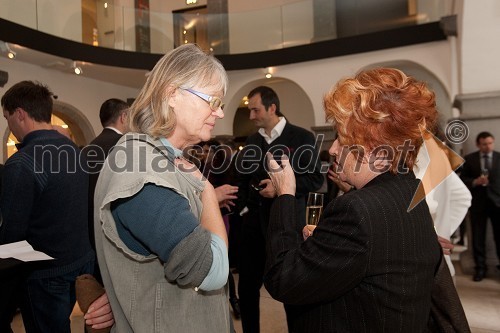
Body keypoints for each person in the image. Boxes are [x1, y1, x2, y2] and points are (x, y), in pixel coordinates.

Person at [263, 68, 443, 332]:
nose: (333, 149)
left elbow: (283, 279)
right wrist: (324, 245)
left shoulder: (357, 210)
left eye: (342, 138)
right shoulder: (409, 190)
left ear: (377, 150)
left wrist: (285, 195)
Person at [93, 44, 231, 332]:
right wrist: (206, 192)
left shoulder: (161, 158)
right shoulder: (140, 168)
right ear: (172, 94)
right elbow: (213, 270)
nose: (219, 113)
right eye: (213, 101)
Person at [0, 81, 94, 332]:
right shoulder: (72, 149)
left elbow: (11, 236)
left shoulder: (22, 162)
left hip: (44, 274)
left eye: (7, 117)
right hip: (79, 262)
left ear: (19, 114)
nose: (8, 124)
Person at [234, 86, 323, 332]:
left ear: (272, 108)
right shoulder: (253, 141)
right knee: (248, 288)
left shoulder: (302, 137)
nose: (251, 116)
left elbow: (315, 179)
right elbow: (244, 179)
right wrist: (243, 206)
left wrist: (280, 188)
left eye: (255, 110)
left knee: (291, 290)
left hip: (289, 226)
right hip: (254, 226)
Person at [82, 98, 129, 282]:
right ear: (124, 117)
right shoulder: (127, 146)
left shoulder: (88, 148)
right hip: (119, 233)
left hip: (92, 231)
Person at [413, 132, 472, 277]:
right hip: (436, 258)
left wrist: (432, 235)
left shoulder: (420, 156)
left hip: (421, 261)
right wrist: (442, 231)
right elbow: (463, 197)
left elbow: (425, 203)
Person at [460, 131, 500, 281]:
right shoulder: (469, 160)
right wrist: (475, 182)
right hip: (478, 204)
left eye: (490, 143)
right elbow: (462, 179)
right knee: (478, 237)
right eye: (484, 144)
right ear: (478, 144)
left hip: (497, 204)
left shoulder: (499, 157)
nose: (488, 146)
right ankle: (480, 269)